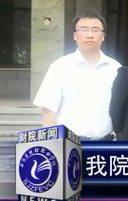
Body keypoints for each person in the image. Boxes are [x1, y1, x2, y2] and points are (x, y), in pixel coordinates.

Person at [33, 12, 121, 141]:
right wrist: (53, 144)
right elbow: (48, 111)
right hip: (70, 143)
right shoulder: (60, 67)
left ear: (103, 36)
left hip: (106, 143)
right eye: (83, 29)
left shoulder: (115, 68)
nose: (89, 35)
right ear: (75, 36)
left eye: (95, 30)